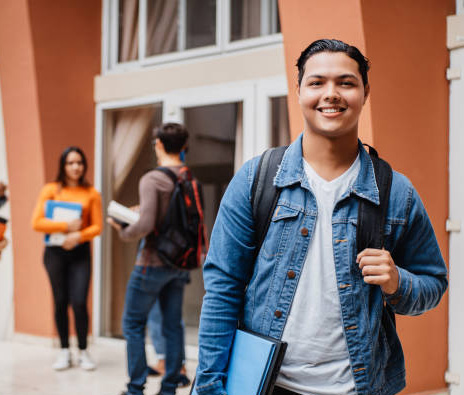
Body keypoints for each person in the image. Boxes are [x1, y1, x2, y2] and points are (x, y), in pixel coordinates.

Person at [194, 39, 448, 395]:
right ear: (298, 90)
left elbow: (434, 283)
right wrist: (209, 386)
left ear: (365, 91)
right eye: (317, 83)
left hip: (361, 386)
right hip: (267, 385)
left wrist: (396, 282)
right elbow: (222, 290)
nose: (331, 94)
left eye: (346, 82)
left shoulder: (396, 192)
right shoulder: (257, 179)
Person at [108, 122, 191, 395]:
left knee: (132, 323)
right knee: (172, 324)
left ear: (158, 144)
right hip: (179, 264)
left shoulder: (152, 179)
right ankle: (169, 386)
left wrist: (123, 229)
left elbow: (144, 227)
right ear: (183, 147)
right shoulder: (188, 178)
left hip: (152, 263)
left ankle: (135, 387)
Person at [32, 146, 102, 371]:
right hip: (55, 253)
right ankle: (64, 350)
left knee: (79, 302)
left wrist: (77, 235)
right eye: (71, 163)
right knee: (60, 301)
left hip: (80, 253)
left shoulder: (92, 193)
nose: (75, 167)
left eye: (79, 163)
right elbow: (37, 222)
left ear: (84, 166)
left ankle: (83, 350)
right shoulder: (51, 190)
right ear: (63, 165)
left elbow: (97, 227)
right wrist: (65, 226)